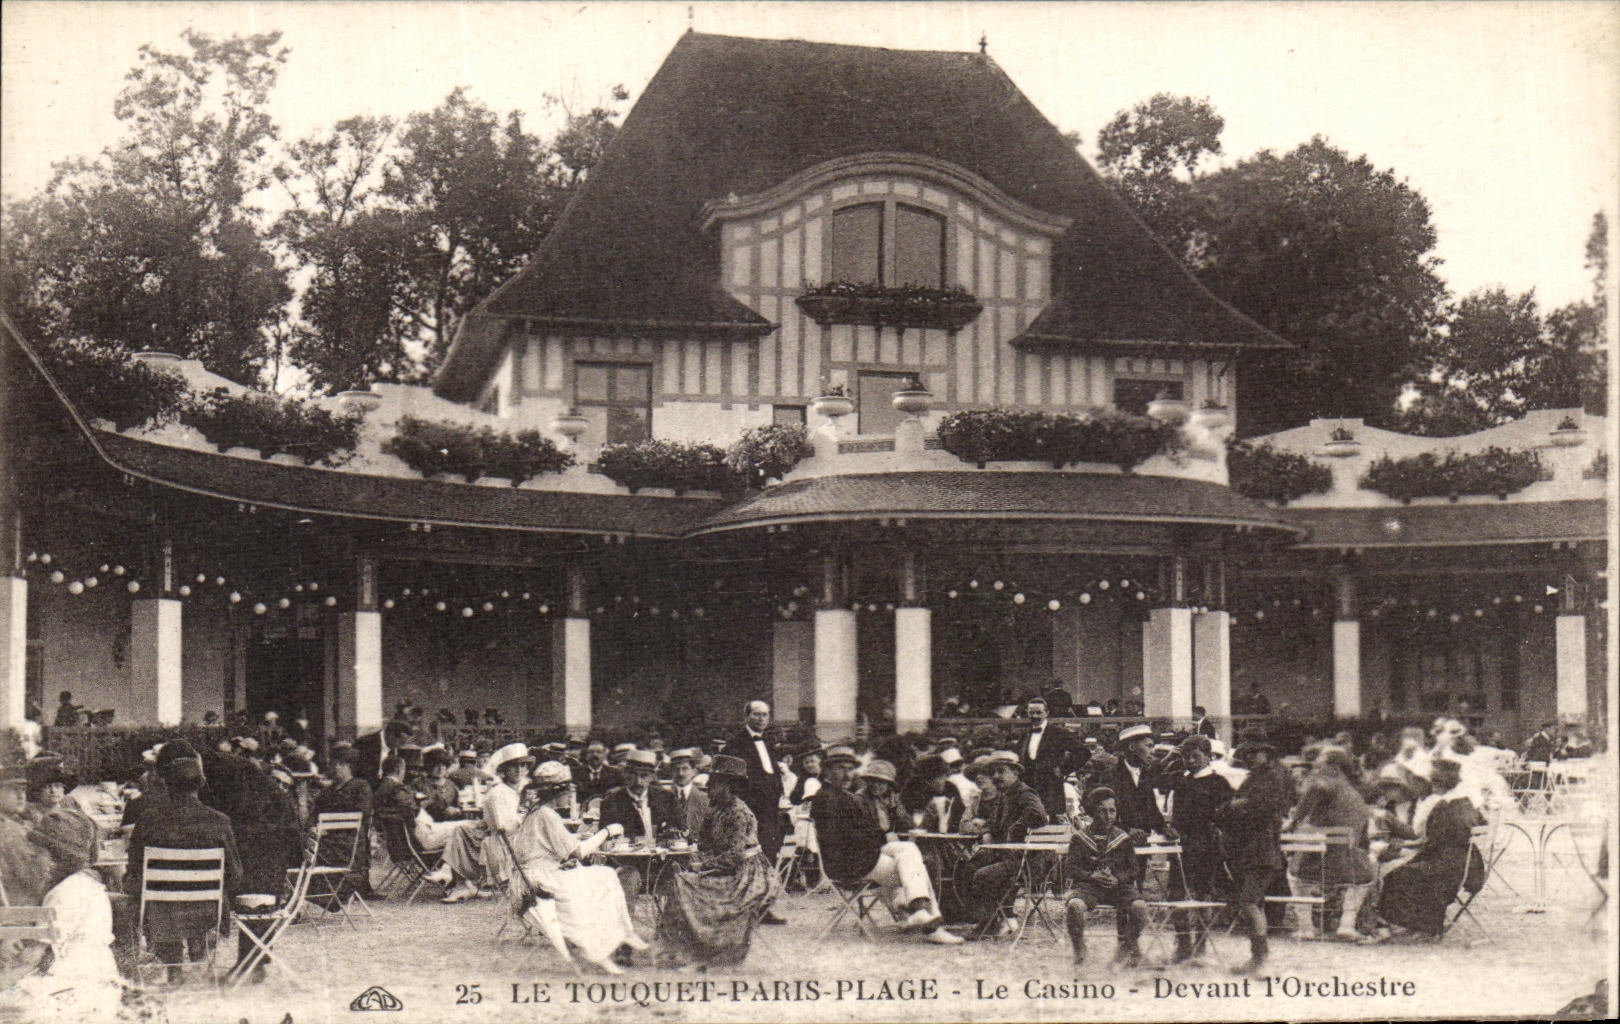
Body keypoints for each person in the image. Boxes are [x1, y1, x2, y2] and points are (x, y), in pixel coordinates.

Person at [809, 746, 963, 944]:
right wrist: (881, 838)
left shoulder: (842, 795)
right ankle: (929, 923)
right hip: (850, 865)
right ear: (827, 770)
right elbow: (846, 838)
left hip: (863, 856)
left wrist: (882, 836)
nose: (847, 774)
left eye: (850, 769)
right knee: (916, 868)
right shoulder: (828, 799)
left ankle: (919, 910)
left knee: (908, 851)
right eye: (841, 768)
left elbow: (864, 832)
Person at [509, 761, 647, 975]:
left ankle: (619, 935)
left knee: (604, 877)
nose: (569, 795)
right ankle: (616, 936)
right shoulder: (547, 815)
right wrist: (607, 832)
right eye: (567, 790)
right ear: (559, 792)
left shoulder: (537, 813)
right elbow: (580, 852)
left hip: (531, 877)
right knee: (607, 876)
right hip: (539, 882)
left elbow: (552, 847)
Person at [125, 742, 242, 984]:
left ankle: (174, 967)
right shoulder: (219, 821)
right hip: (207, 911)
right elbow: (234, 874)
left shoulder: (148, 820)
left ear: (166, 784)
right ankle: (199, 951)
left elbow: (135, 872)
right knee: (200, 898)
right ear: (200, 784)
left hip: (161, 912)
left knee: (157, 899)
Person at [656, 755, 779, 968]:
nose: (709, 789)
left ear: (729, 787)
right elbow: (704, 844)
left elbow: (734, 856)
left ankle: (698, 951)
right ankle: (677, 948)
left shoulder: (738, 812)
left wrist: (701, 866)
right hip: (725, 868)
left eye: (714, 785)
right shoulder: (715, 809)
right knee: (679, 881)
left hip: (747, 875)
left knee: (687, 886)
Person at [201, 747, 301, 984]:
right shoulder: (264, 796)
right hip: (270, 875)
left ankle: (251, 963)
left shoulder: (236, 790)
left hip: (259, 882)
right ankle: (255, 962)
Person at [13, 810, 122, 1020]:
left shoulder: (63, 893)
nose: (33, 857)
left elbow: (31, 958)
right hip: (99, 980)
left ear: (58, 857)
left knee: (12, 1000)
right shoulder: (86, 884)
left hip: (73, 989)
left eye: (39, 852)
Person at [1375, 758, 1485, 938]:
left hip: (1450, 864)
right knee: (1406, 870)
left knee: (1398, 875)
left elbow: (1436, 842)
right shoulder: (1464, 802)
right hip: (1468, 862)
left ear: (1437, 783)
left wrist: (1408, 847)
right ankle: (1416, 923)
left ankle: (1423, 926)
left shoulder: (1445, 806)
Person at [1282, 746, 1375, 940]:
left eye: (1320, 764)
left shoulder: (1324, 784)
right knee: (1367, 875)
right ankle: (1346, 925)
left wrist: (1294, 820)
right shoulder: (1353, 794)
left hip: (1316, 864)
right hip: (1350, 866)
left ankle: (1306, 927)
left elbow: (1314, 793)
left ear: (1335, 767)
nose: (1316, 768)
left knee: (1293, 874)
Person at [1217, 728, 1291, 973]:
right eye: (1248, 754)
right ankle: (1259, 956)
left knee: (1248, 902)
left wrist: (1239, 807)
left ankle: (1260, 958)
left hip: (1262, 849)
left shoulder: (1271, 779)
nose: (1251, 758)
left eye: (1255, 753)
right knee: (1254, 903)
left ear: (1266, 755)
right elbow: (1231, 808)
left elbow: (1259, 810)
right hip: (1251, 849)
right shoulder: (1255, 778)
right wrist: (1237, 806)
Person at [963, 751, 1048, 935]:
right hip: (1005, 855)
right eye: (993, 772)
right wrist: (986, 833)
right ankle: (991, 918)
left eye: (1001, 772)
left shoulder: (1025, 793)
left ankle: (991, 923)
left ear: (1015, 773)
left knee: (983, 875)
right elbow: (991, 823)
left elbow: (1039, 816)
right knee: (967, 867)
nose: (995, 777)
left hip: (1025, 861)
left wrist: (1014, 828)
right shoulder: (1003, 796)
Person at [1165, 734, 1233, 962]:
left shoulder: (1219, 783)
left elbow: (1226, 817)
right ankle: (1183, 943)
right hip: (1181, 846)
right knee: (1176, 894)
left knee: (1203, 894)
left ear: (1208, 757)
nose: (1190, 761)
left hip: (1206, 846)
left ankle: (1201, 944)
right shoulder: (1180, 780)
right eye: (1186, 756)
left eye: (1196, 756)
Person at [1064, 786, 1149, 966]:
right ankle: (1079, 947)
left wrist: (1118, 878)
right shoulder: (1080, 838)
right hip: (1090, 887)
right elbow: (1071, 868)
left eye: (1112, 811)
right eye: (1102, 811)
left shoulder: (1122, 838)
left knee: (1140, 908)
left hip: (1119, 887)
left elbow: (1134, 869)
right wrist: (1091, 875)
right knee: (1075, 906)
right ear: (1092, 812)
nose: (1109, 816)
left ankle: (1126, 946)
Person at [724, 700, 789, 924]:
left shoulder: (769, 742)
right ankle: (744, 910)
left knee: (768, 857)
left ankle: (763, 908)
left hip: (770, 811)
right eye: (756, 714)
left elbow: (772, 772)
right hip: (750, 811)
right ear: (746, 716)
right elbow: (731, 779)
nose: (761, 719)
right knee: (748, 858)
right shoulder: (736, 743)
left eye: (765, 715)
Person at [443, 742, 529, 903]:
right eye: (513, 766)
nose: (519, 770)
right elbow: (503, 827)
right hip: (506, 846)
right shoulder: (498, 794)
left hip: (518, 839)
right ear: (504, 770)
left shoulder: (521, 789)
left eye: (523, 766)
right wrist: (526, 816)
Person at [311, 746, 374, 901]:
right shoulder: (328, 791)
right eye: (334, 764)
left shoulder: (360, 787)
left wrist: (328, 828)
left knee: (300, 853)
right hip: (323, 840)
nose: (335, 768)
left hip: (347, 844)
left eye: (339, 764)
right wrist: (312, 827)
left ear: (348, 767)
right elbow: (314, 813)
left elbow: (362, 813)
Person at [1091, 723, 1171, 836]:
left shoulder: (1146, 774)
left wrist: (1163, 828)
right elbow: (1104, 814)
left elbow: (1151, 809)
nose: (1152, 751)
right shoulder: (1111, 775)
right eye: (1148, 746)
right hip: (1118, 841)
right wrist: (1127, 830)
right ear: (1132, 747)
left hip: (1144, 841)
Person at [1016, 697, 1087, 821]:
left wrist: (1063, 769)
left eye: (1038, 712)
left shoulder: (1058, 733)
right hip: (1030, 789)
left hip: (1050, 789)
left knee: (1051, 827)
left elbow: (1083, 752)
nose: (1035, 716)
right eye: (1031, 712)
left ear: (1047, 713)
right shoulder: (1025, 734)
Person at [664, 748, 710, 836]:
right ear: (671, 772)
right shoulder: (663, 797)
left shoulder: (705, 799)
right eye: (676, 769)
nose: (680, 773)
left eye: (685, 769)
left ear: (694, 771)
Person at [574, 740, 622, 808]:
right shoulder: (576, 772)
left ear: (604, 755)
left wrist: (618, 789)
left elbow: (625, 787)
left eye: (599, 752)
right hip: (582, 811)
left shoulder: (614, 772)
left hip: (607, 811)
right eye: (591, 752)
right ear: (586, 755)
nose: (595, 755)